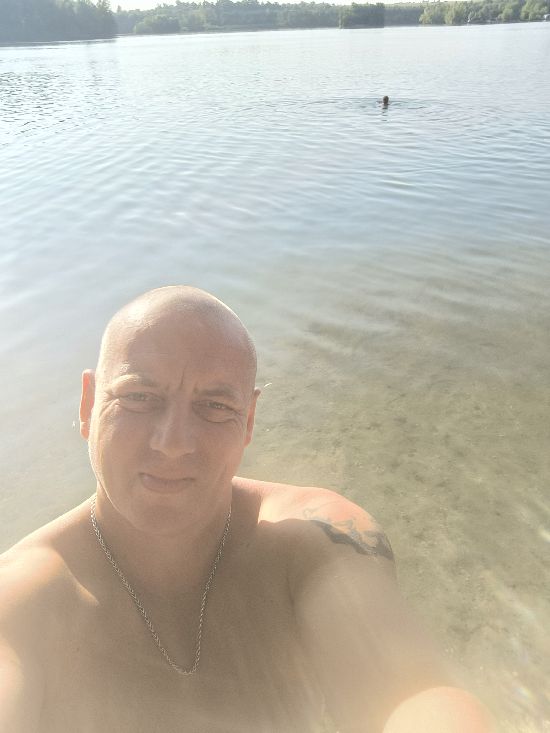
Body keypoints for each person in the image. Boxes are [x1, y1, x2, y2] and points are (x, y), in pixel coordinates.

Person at [0, 286, 494, 733]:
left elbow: (411, 694)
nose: (173, 443)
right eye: (139, 397)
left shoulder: (310, 540)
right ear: (88, 405)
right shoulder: (24, 601)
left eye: (214, 406)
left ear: (250, 419)